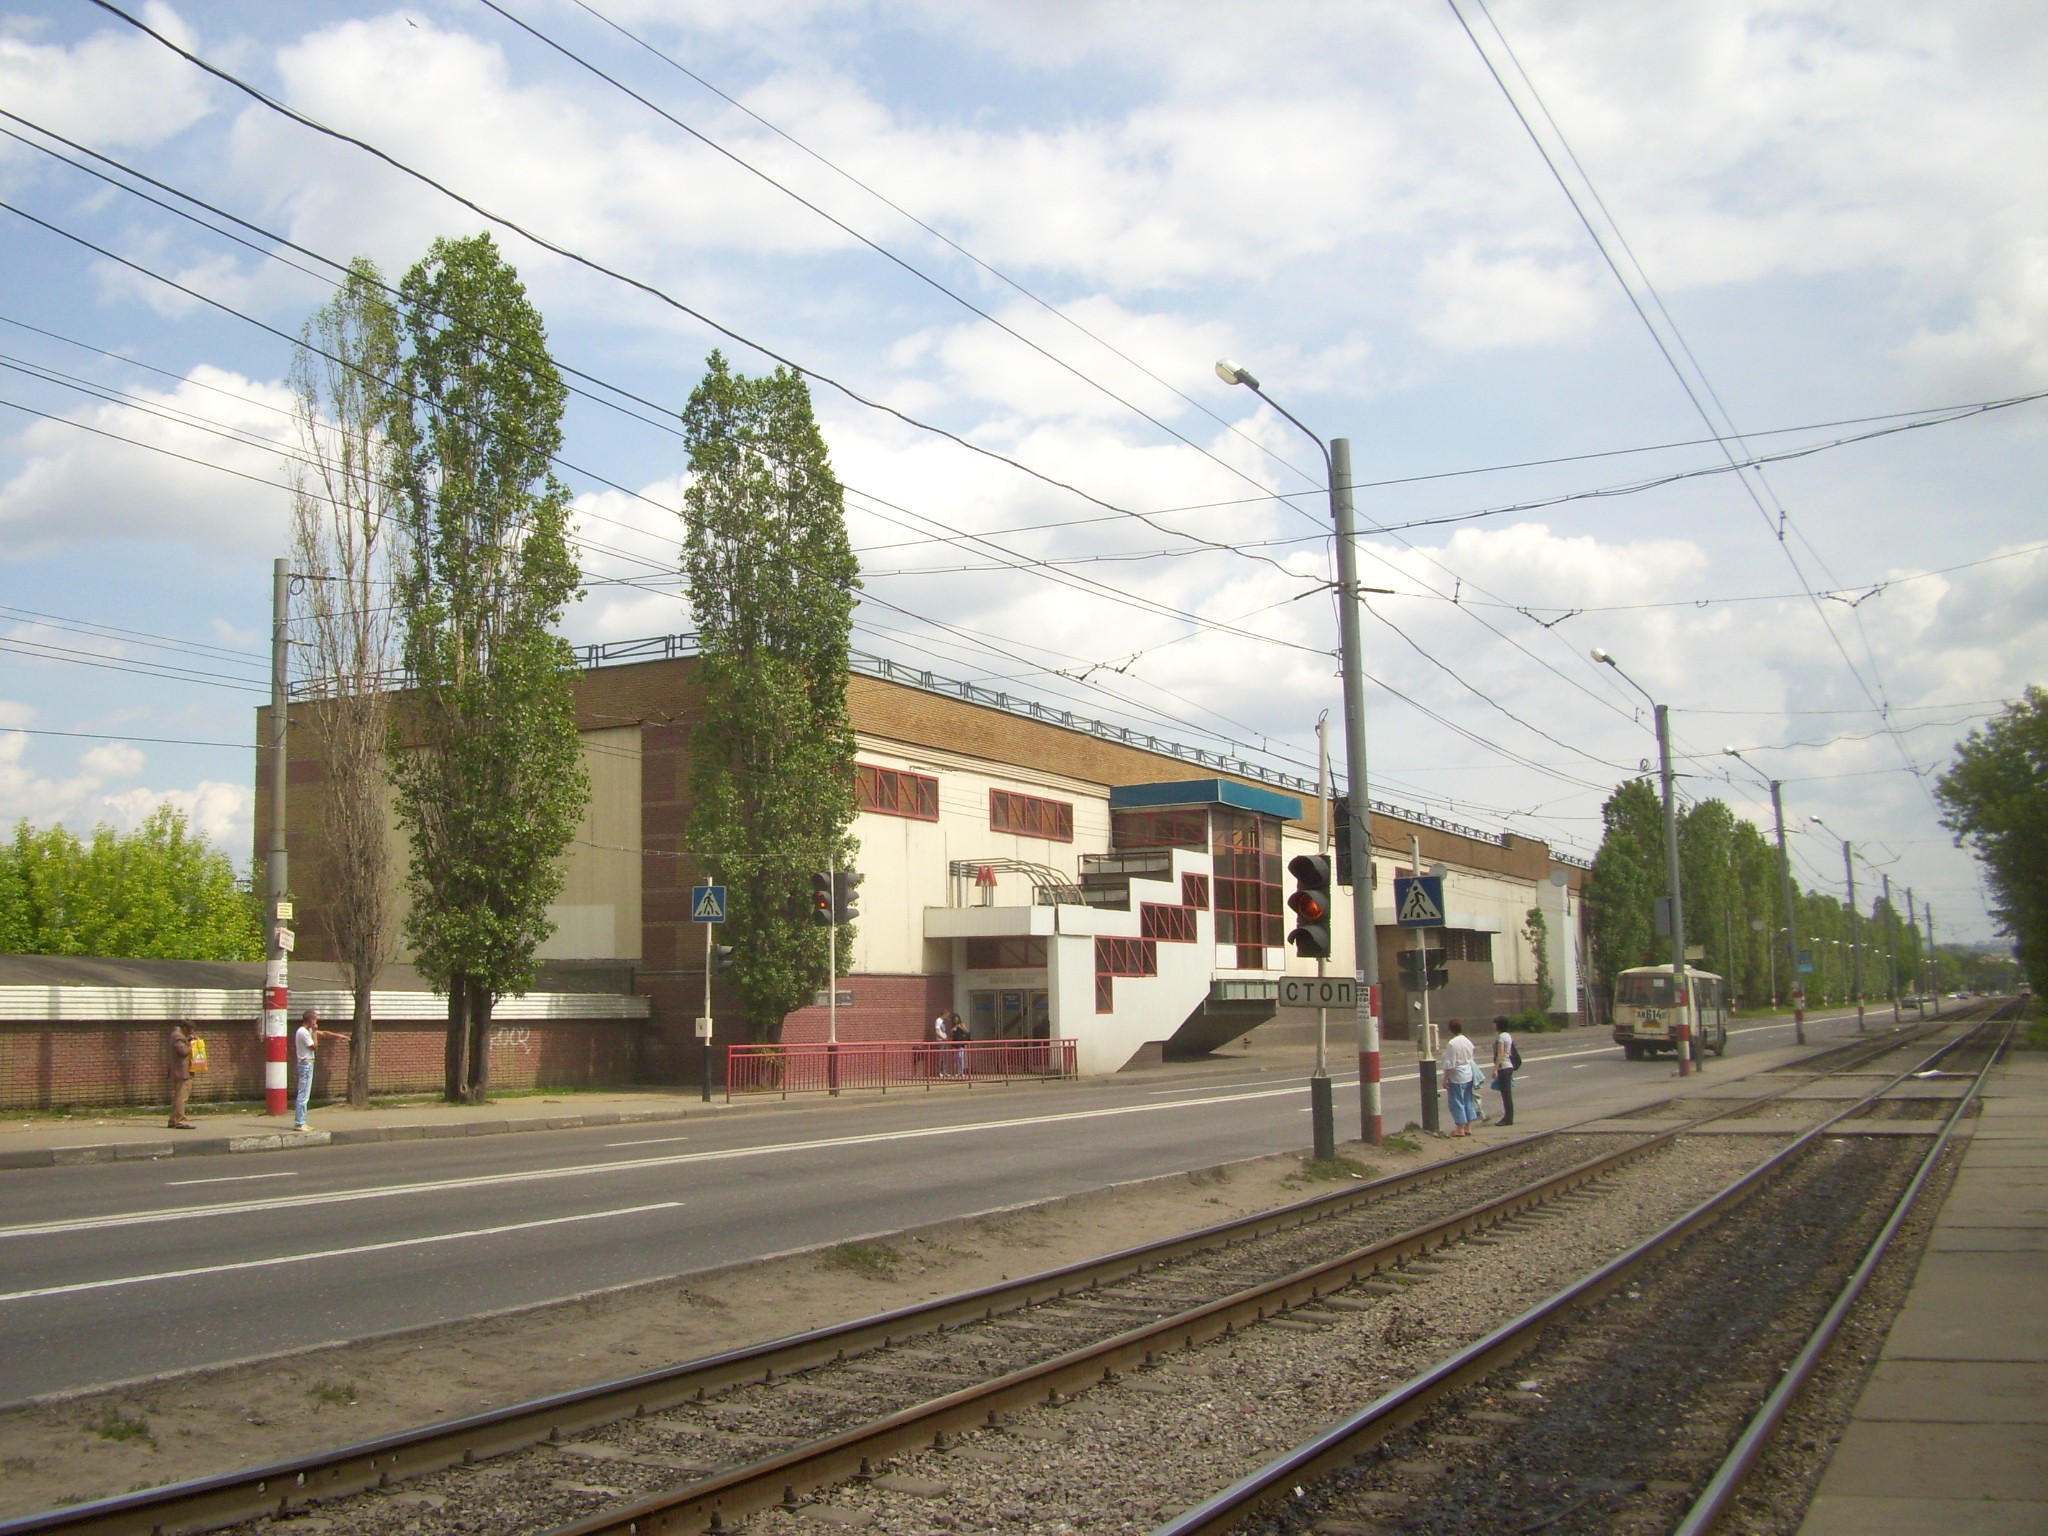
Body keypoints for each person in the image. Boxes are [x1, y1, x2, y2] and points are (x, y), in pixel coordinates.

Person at [291, 1007, 346, 1131]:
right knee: (303, 1095)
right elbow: (314, 1046)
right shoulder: (303, 1032)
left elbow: (324, 1033)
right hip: (305, 1064)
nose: (316, 1022)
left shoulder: (308, 1031)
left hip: (308, 1064)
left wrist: (339, 1036)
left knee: (305, 1094)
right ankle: (299, 1123)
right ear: (310, 1020)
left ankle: (302, 1121)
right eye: (315, 1019)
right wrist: (314, 1032)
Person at [1442, 1019, 1478, 1137]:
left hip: (1457, 1076)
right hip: (1468, 1074)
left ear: (1450, 1029)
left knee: (1457, 1102)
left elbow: (1450, 1064)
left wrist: (1446, 1078)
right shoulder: (1467, 1041)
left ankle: (1460, 1129)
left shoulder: (1452, 1044)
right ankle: (1468, 1127)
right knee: (1468, 1100)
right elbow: (1471, 1058)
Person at [167, 1021, 197, 1129]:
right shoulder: (178, 1036)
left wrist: (188, 1040)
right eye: (190, 1031)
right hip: (182, 1072)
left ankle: (173, 1120)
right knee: (182, 1097)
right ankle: (181, 1121)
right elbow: (183, 1051)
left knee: (178, 1097)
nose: (191, 1033)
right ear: (185, 1028)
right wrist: (192, 1044)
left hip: (179, 1072)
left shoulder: (177, 1035)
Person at [1491, 1015, 1517, 1127]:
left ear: (1498, 1025)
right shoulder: (1508, 1035)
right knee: (1507, 1094)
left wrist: (1495, 1069)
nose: (1493, 1025)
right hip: (1509, 1066)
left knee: (1506, 1095)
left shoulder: (1501, 1037)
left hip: (1504, 1067)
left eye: (1495, 1023)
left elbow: (1500, 1053)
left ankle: (1508, 1118)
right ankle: (1508, 1117)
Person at [932, 1012, 953, 1077]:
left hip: (944, 1040)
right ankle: (938, 1072)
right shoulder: (938, 1020)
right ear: (944, 1014)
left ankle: (944, 1072)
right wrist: (943, 1038)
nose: (947, 1017)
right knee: (940, 1057)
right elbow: (937, 1031)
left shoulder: (943, 1022)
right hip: (940, 1041)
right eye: (947, 1015)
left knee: (945, 1057)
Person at [949, 1012, 970, 1077]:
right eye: (954, 1019)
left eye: (957, 1019)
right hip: (955, 1043)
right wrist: (952, 1030)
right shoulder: (953, 1026)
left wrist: (960, 1027)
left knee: (961, 1058)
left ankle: (961, 1072)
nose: (956, 1020)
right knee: (956, 1059)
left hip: (960, 1043)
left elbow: (966, 1031)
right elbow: (951, 1035)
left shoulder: (961, 1024)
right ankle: (957, 1072)